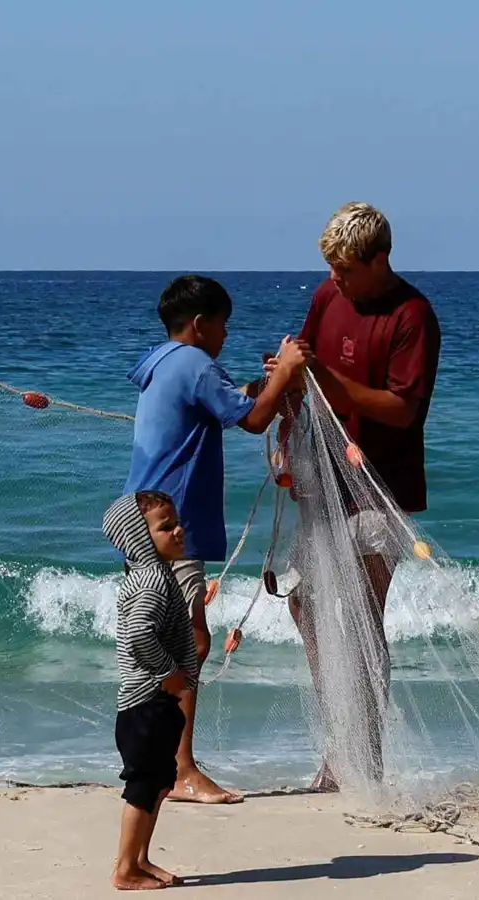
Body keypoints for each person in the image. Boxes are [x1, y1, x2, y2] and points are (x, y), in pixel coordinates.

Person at [124, 274, 311, 804]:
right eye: (224, 325)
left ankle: (158, 763)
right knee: (191, 643)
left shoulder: (164, 362)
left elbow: (235, 401)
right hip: (172, 526)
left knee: (168, 641)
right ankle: (179, 769)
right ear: (201, 323)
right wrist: (287, 372)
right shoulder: (194, 363)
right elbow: (253, 420)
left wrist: (268, 383)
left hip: (143, 519)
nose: (227, 335)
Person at [286, 201, 441, 792]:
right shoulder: (328, 295)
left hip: (380, 486)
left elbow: (402, 410)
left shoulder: (412, 315)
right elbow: (303, 368)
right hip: (321, 479)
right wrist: (282, 409)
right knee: (304, 605)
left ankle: (366, 758)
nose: (335, 278)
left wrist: (332, 383)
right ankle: (337, 744)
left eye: (346, 269)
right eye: (331, 267)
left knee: (363, 618)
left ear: (379, 259)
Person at [102, 491, 198, 890]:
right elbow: (141, 633)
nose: (178, 530)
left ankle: (140, 859)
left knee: (159, 782)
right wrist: (168, 673)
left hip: (155, 704)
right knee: (143, 788)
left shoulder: (154, 574)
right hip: (147, 704)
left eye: (177, 522)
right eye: (166, 526)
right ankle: (125, 869)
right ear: (141, 538)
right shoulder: (153, 580)